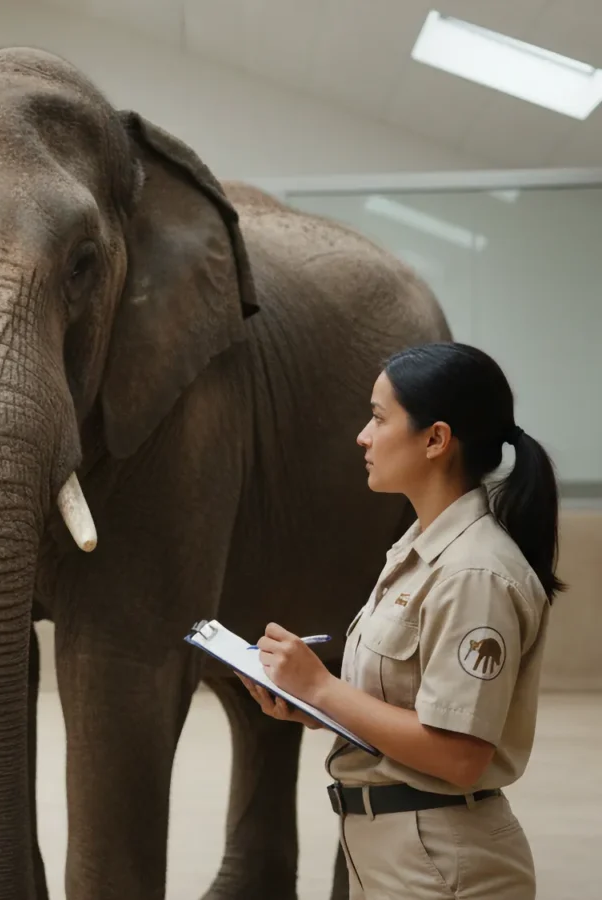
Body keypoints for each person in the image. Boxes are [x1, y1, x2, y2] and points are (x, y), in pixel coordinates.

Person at [239, 341, 562, 899]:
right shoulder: (418, 551)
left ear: (436, 439)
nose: (363, 436)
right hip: (393, 855)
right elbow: (408, 712)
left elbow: (459, 755)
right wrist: (315, 704)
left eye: (378, 418)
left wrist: (321, 686)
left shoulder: (474, 573)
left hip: (441, 865)